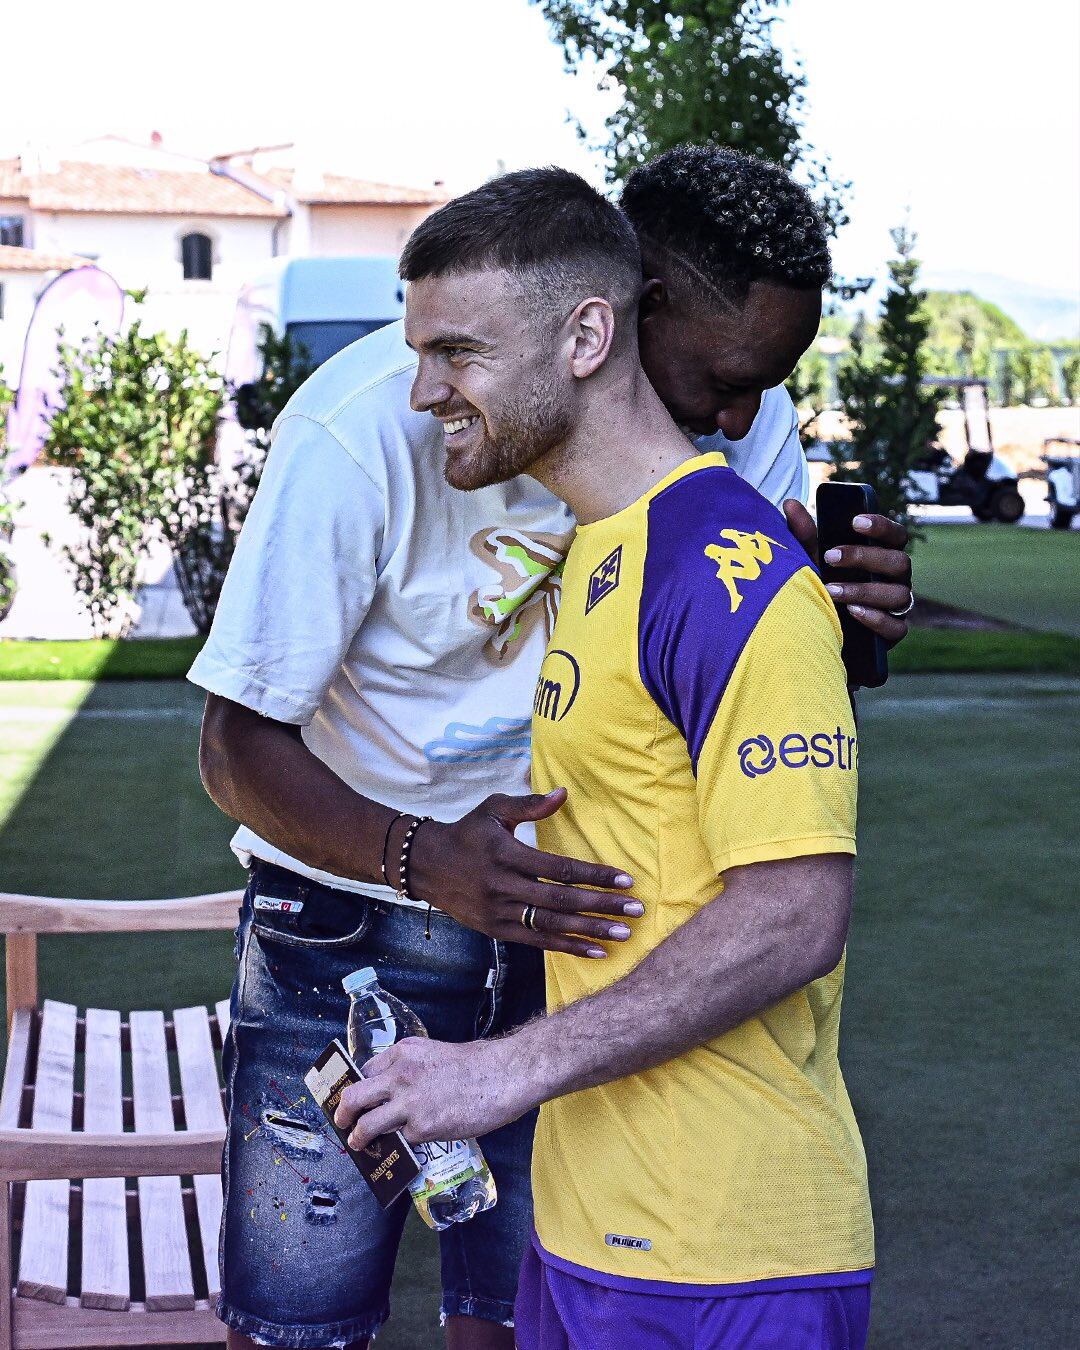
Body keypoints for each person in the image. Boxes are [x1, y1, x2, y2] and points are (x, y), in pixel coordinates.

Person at [192, 147, 906, 1350]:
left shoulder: (720, 440)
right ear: (622, 318)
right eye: (726, 379)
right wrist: (422, 860)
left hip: (579, 929)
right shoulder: (360, 428)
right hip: (358, 909)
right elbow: (233, 742)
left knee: (505, 1304)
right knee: (300, 1318)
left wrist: (847, 624)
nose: (740, 421)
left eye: (762, 389)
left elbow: (745, 683)